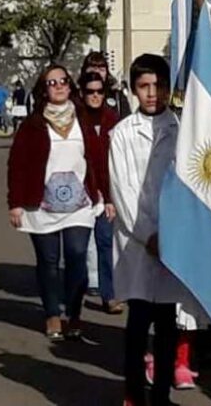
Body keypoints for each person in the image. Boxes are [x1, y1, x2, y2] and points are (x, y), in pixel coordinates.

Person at [110, 54, 199, 406]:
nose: (152, 94)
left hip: (172, 240)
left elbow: (188, 186)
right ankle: (134, 390)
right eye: (144, 86)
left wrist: (172, 234)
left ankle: (161, 393)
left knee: (166, 321)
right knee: (138, 320)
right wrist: (148, 234)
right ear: (133, 90)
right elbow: (124, 190)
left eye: (158, 86)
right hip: (137, 242)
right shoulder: (122, 134)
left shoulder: (182, 131)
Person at [7, 64, 107, 341]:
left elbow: (98, 161)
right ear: (44, 89)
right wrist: (15, 202)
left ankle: (73, 313)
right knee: (48, 261)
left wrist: (106, 197)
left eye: (63, 81)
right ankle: (53, 313)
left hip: (79, 204)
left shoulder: (83, 120)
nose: (59, 86)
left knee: (77, 255)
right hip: (42, 206)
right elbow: (17, 164)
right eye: (52, 82)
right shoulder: (33, 125)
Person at [77, 70, 123, 314]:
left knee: (106, 243)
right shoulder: (74, 120)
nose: (95, 96)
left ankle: (110, 295)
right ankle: (73, 298)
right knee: (78, 248)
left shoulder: (113, 120)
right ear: (82, 93)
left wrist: (111, 197)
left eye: (99, 91)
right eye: (90, 92)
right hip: (80, 194)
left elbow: (117, 163)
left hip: (106, 194)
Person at [81, 51, 131, 118]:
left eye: (101, 69)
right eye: (93, 68)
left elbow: (127, 122)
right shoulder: (76, 96)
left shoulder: (117, 96)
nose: (97, 72)